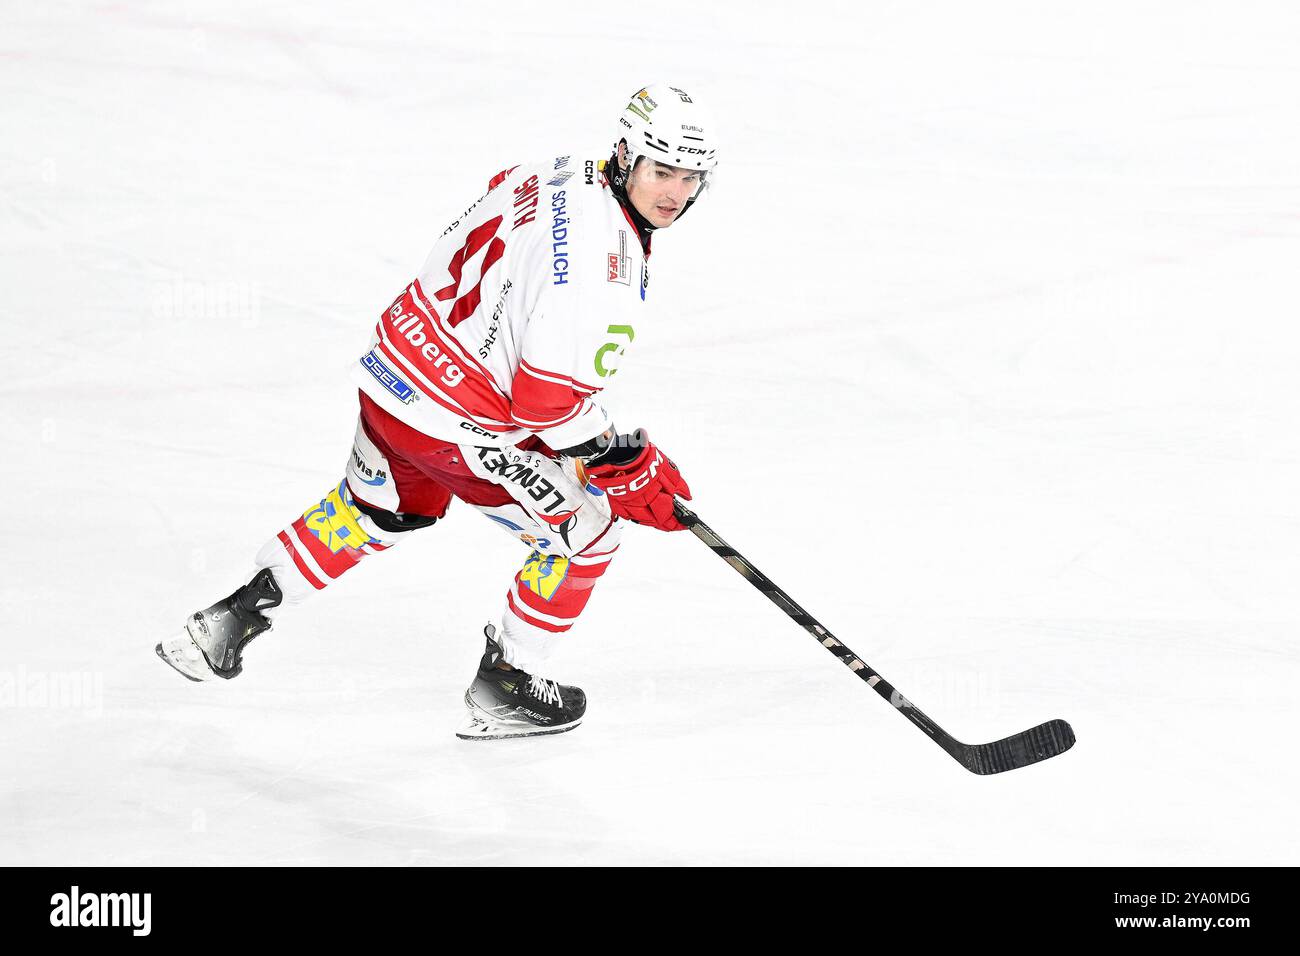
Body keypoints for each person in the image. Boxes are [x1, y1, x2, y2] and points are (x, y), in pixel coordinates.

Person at [156, 84, 719, 740]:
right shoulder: (608, 274)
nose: (674, 192)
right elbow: (546, 406)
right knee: (589, 535)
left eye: (690, 177)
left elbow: (499, 214)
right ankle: (507, 685)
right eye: (661, 170)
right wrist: (620, 462)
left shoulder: (556, 169)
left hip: (395, 370)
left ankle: (227, 622)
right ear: (625, 155)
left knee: (376, 510)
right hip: (459, 422)